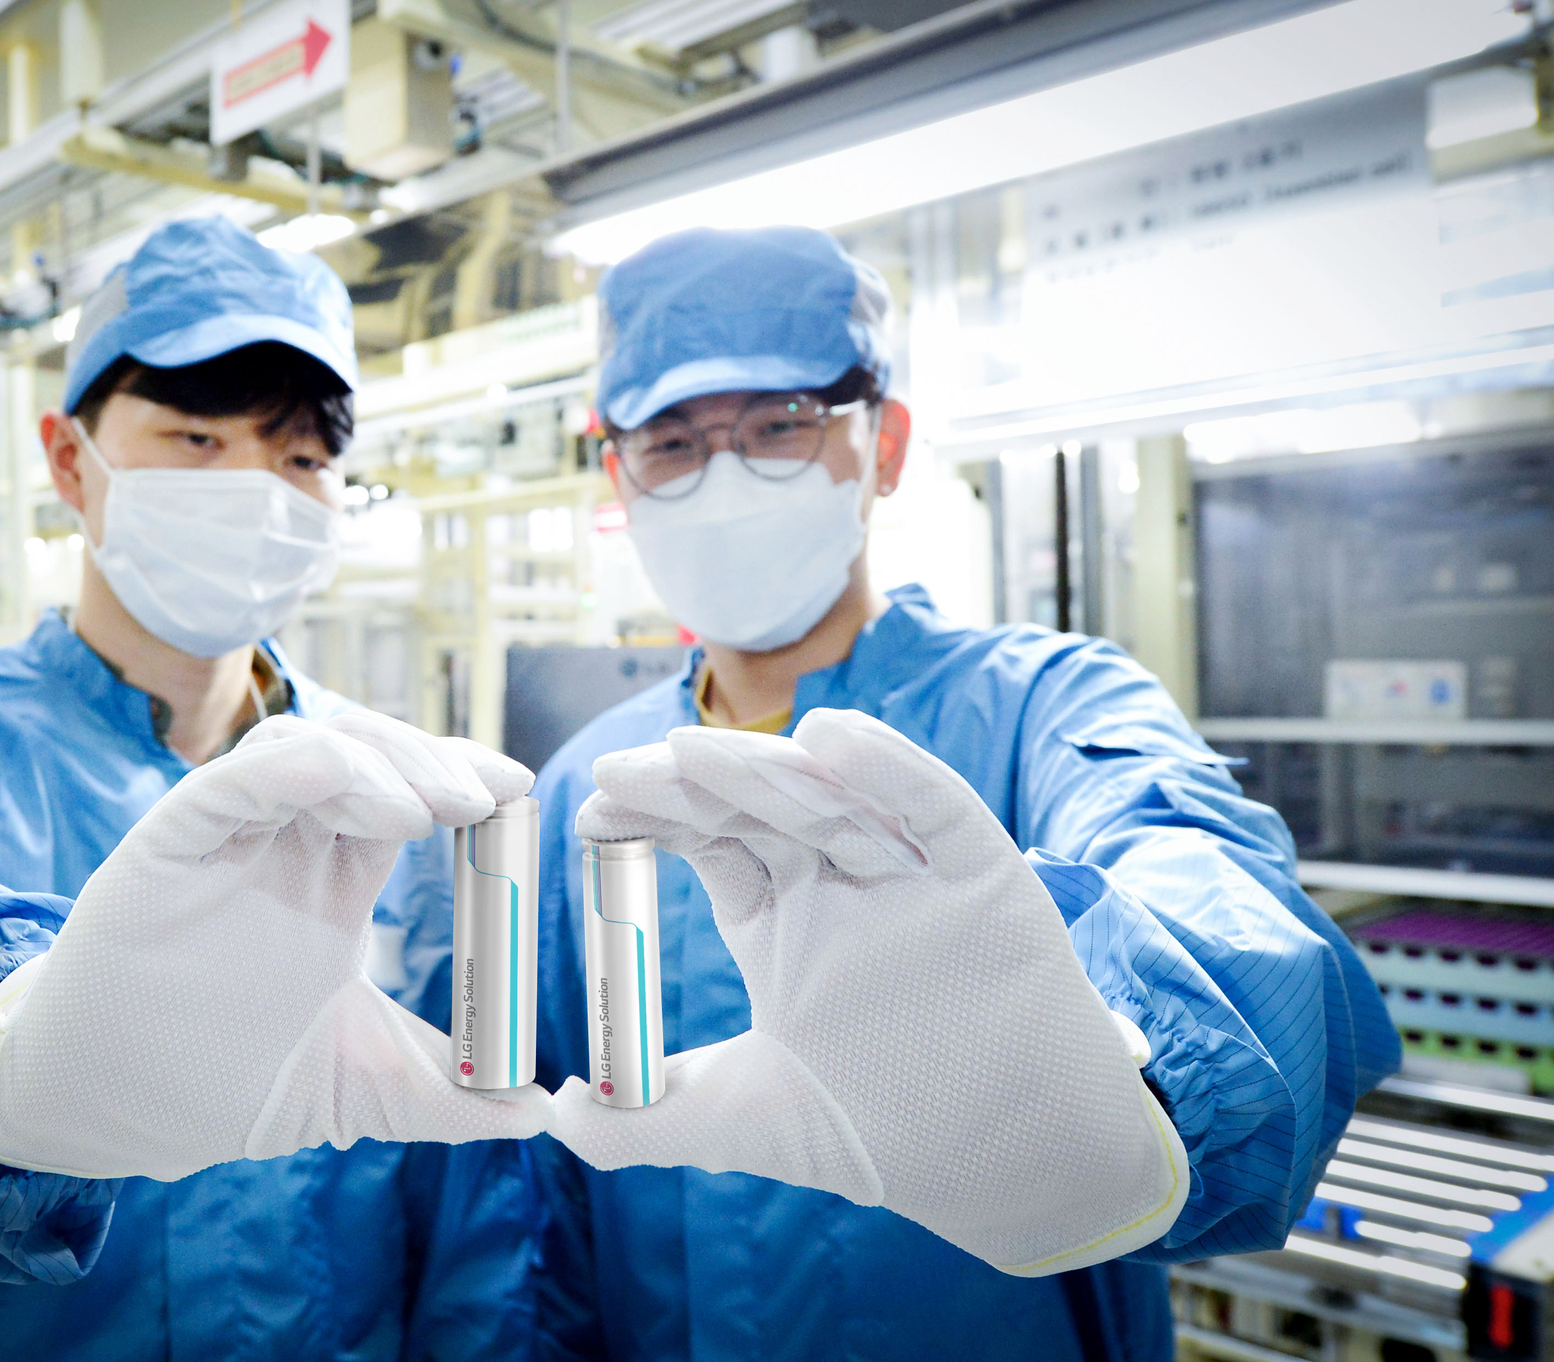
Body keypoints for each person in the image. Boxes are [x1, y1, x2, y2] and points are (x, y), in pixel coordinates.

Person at [0, 217, 544, 1362]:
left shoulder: (387, 803)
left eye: (303, 460)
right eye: (197, 439)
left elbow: (468, 1196)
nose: (260, 492)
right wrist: (10, 1043)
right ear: (72, 460)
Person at [529, 226, 1399, 1361]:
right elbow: (537, 1192)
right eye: (673, 441)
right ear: (621, 476)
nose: (723, 476)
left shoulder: (1046, 704)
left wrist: (1135, 1098)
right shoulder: (586, 794)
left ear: (880, 446)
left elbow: (1200, 875)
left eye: (781, 426)